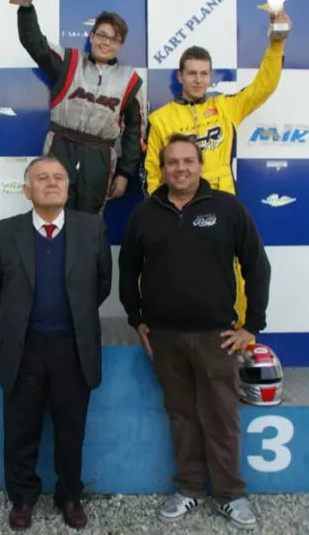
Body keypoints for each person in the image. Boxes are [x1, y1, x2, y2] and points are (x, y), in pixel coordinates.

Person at [119, 134, 271, 530]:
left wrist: (252, 325)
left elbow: (257, 264)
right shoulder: (144, 213)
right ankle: (188, 489)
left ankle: (231, 494)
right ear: (162, 168)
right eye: (172, 162)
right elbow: (127, 270)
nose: (180, 168)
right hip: (164, 337)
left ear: (201, 165)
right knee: (182, 415)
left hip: (215, 337)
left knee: (221, 416)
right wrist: (136, 319)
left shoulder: (227, 207)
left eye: (188, 161)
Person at [0, 155, 112, 530]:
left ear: (68, 188)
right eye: (42, 177)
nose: (51, 182)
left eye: (58, 177)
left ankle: (70, 496)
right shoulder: (3, 232)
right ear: (27, 191)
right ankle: (22, 498)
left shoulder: (92, 229)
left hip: (73, 348)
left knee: (71, 432)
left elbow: (100, 286)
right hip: (25, 348)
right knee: (20, 429)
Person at [142, 10, 290, 330]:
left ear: (210, 77)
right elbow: (154, 169)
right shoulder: (161, 118)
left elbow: (263, 86)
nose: (198, 79)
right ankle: (170, 339)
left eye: (204, 73)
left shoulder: (226, 106)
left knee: (234, 269)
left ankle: (239, 339)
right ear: (179, 76)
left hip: (222, 198)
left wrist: (276, 45)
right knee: (174, 267)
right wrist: (160, 206)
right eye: (191, 73)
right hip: (177, 203)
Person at [14, 0, 146, 215]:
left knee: (90, 224)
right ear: (92, 36)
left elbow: (135, 133)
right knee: (50, 212)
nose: (106, 43)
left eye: (114, 39)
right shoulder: (68, 61)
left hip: (100, 157)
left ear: (121, 45)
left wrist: (125, 173)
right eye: (102, 35)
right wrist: (25, 4)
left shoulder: (131, 80)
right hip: (60, 146)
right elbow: (34, 42)